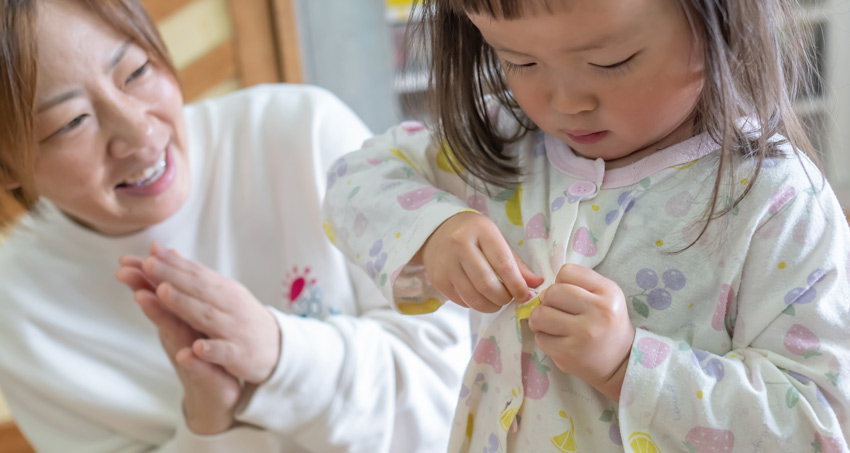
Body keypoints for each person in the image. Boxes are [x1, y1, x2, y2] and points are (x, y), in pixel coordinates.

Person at [323, 0, 850, 451]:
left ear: (720, 19)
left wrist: (630, 365)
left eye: (611, 61)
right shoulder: (504, 139)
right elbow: (354, 178)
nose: (567, 103)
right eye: (520, 60)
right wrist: (433, 228)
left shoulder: (776, 201)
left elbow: (818, 426)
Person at [0, 0, 470, 452]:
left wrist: (279, 356)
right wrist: (210, 423)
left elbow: (454, 396)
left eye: (137, 72)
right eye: (71, 122)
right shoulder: (18, 313)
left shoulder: (299, 133)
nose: (139, 134)